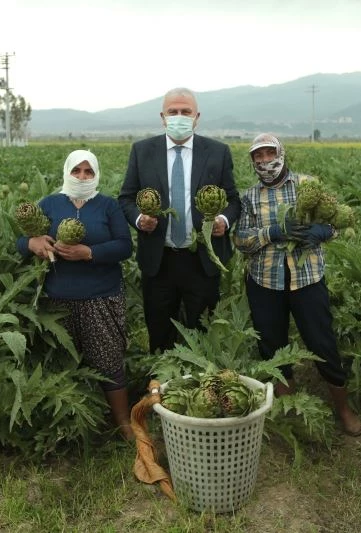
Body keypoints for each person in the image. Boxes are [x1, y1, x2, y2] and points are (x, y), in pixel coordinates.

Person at [232, 133, 361, 437]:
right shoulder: (249, 197)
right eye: (258, 156)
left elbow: (337, 221)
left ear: (282, 153)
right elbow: (241, 240)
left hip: (307, 280)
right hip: (265, 282)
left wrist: (323, 231)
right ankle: (291, 411)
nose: (265, 161)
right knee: (273, 347)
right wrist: (273, 232)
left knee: (322, 343)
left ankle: (343, 409)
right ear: (252, 161)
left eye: (270, 153)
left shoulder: (308, 185)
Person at [17, 149, 135, 441]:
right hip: (57, 299)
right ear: (67, 172)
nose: (82, 177)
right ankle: (70, 427)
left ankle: (123, 423)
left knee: (108, 361)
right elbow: (22, 242)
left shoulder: (108, 206)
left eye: (89, 172)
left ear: (96, 175)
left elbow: (124, 246)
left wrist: (89, 252)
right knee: (62, 364)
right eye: (77, 171)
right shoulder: (50, 204)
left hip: (100, 297)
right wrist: (30, 243)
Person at [118, 87, 240, 354]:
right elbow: (126, 197)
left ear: (197, 117)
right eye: (173, 112)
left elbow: (233, 199)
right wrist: (140, 219)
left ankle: (201, 390)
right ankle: (161, 388)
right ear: (162, 117)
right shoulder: (142, 151)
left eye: (186, 112)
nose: (179, 116)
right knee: (160, 335)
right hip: (159, 261)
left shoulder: (218, 152)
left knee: (204, 337)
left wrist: (222, 220)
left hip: (202, 260)